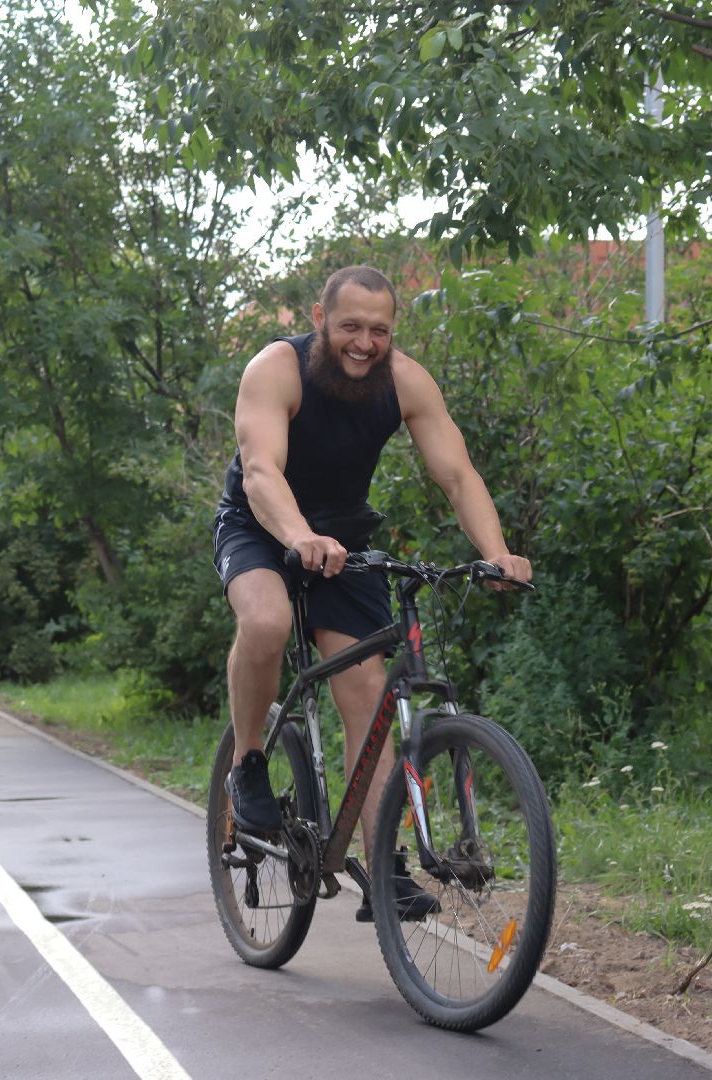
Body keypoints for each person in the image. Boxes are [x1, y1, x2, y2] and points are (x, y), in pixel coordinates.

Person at [213, 265, 532, 923]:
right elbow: (261, 471)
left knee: (367, 695)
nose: (364, 342)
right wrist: (298, 534)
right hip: (260, 523)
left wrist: (495, 554)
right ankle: (248, 763)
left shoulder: (405, 381)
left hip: (341, 539)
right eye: (351, 326)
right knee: (268, 621)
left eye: (379, 330)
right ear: (319, 318)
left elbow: (458, 474)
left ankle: (383, 868)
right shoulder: (277, 369)